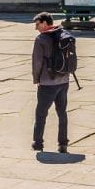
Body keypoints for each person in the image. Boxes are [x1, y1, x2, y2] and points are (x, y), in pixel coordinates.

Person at [31, 12, 70, 153]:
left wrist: (37, 79)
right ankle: (63, 143)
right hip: (64, 80)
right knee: (62, 113)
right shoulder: (64, 34)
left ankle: (38, 143)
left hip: (47, 83)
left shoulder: (41, 39)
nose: (36, 28)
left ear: (45, 23)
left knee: (41, 113)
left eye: (37, 24)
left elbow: (37, 62)